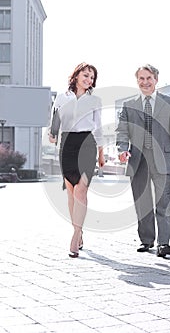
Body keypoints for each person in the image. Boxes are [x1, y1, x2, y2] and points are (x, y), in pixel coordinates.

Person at [116, 64, 170, 257]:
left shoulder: (169, 102)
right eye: (141, 78)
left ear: (156, 79)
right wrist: (122, 149)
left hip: (163, 159)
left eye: (149, 78)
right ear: (137, 81)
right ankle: (147, 241)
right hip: (138, 160)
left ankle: (163, 243)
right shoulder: (129, 105)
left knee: (163, 203)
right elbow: (122, 131)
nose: (145, 82)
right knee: (143, 203)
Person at [49, 62, 105, 258]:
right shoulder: (62, 98)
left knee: (81, 190)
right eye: (86, 75)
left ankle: (75, 235)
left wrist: (101, 153)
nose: (89, 79)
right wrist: (52, 133)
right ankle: (79, 231)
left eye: (92, 77)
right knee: (72, 193)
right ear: (76, 75)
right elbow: (55, 120)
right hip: (67, 144)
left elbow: (98, 127)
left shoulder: (95, 100)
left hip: (87, 143)